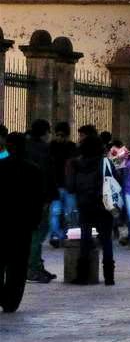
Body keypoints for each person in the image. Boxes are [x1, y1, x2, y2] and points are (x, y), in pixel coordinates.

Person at [1, 130, 45, 311]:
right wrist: (35, 221)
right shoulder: (33, 170)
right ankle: (11, 300)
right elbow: (38, 199)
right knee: (18, 264)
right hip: (23, 224)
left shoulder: (1, 167)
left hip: (2, 222)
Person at [65, 128, 115, 286]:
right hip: (104, 205)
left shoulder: (76, 163)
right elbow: (116, 180)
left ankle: (82, 276)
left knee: (85, 240)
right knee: (106, 240)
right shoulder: (105, 162)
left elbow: (70, 187)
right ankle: (109, 277)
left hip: (85, 205)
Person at [24, 119, 56, 283]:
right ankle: (33, 267)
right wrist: (48, 197)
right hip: (39, 198)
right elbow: (47, 176)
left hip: (25, 197)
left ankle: (35, 265)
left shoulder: (26, 148)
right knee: (39, 232)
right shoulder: (44, 150)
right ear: (45, 132)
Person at [48, 121, 78, 249]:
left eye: (62, 135)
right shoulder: (54, 147)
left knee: (68, 213)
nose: (59, 138)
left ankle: (64, 235)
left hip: (68, 186)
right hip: (58, 185)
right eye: (58, 135)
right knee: (57, 212)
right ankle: (56, 235)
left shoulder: (71, 148)